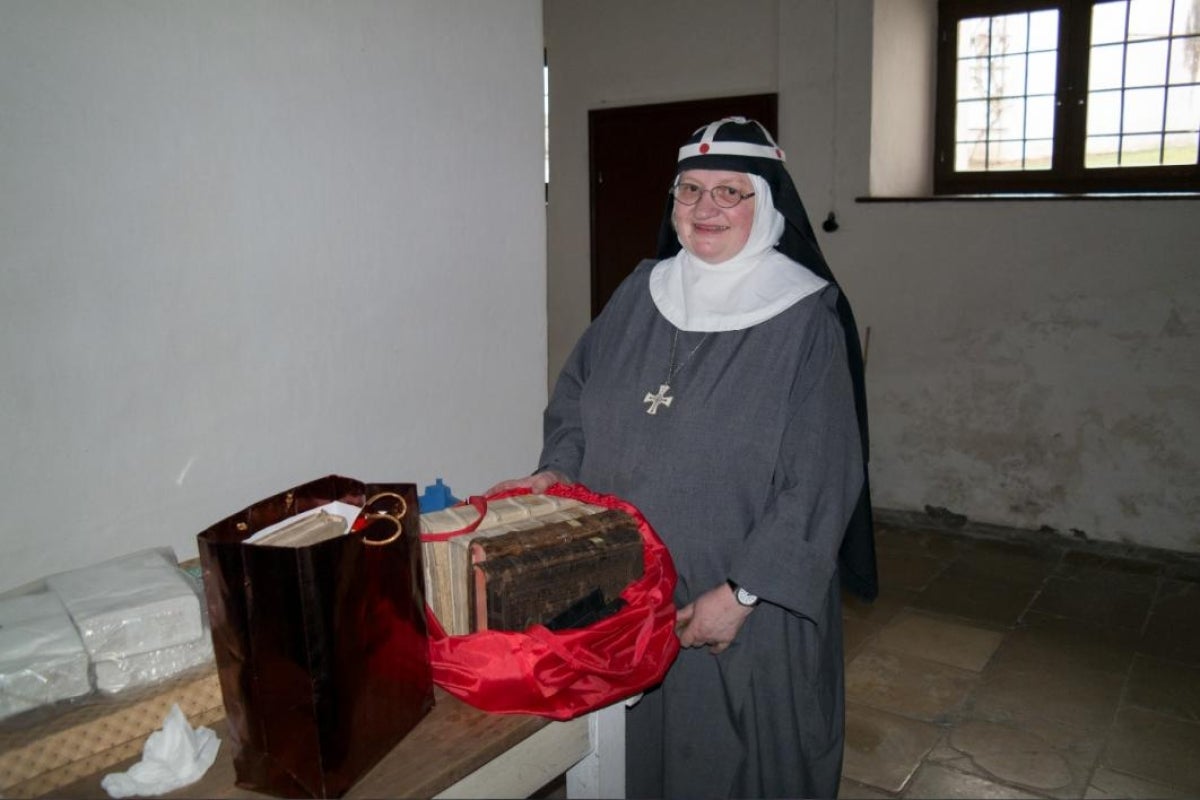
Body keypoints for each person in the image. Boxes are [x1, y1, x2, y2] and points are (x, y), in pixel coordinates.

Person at [489, 117, 877, 799]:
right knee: (630, 763)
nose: (705, 210)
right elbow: (578, 396)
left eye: (730, 192)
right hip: (628, 587)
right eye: (689, 190)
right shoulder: (642, 291)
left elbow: (821, 479)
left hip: (737, 602)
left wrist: (744, 593)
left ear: (768, 205)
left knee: (731, 765)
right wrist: (559, 472)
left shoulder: (805, 318)